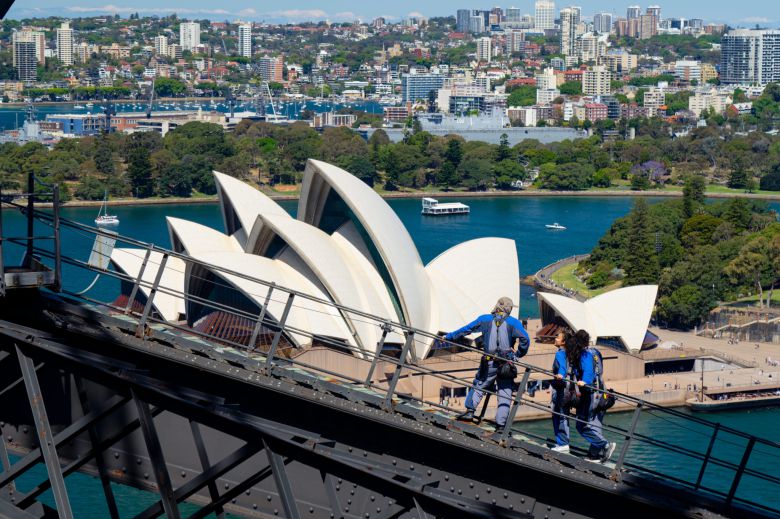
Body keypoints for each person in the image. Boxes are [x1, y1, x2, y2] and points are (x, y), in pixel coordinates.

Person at [443, 297, 530, 431]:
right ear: (508, 308)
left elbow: (466, 329)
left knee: (480, 384)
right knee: (505, 392)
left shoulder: (485, 319)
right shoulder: (514, 323)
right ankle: (501, 425)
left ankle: (470, 411)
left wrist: (449, 336)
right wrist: (517, 354)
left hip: (489, 362)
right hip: (506, 364)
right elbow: (525, 339)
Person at [567, 330, 616, 463]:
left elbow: (588, 371)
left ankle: (605, 446)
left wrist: (584, 381)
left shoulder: (584, 354)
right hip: (602, 391)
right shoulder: (595, 352)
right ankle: (594, 455)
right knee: (595, 424)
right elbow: (599, 370)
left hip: (590, 393)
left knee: (582, 425)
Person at [550, 329, 574, 453]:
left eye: (558, 337)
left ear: (563, 342)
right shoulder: (569, 352)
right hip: (569, 387)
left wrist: (560, 374)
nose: (555, 339)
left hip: (560, 387)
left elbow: (563, 369)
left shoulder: (560, 352)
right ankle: (563, 442)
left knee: (558, 414)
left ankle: (563, 443)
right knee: (563, 414)